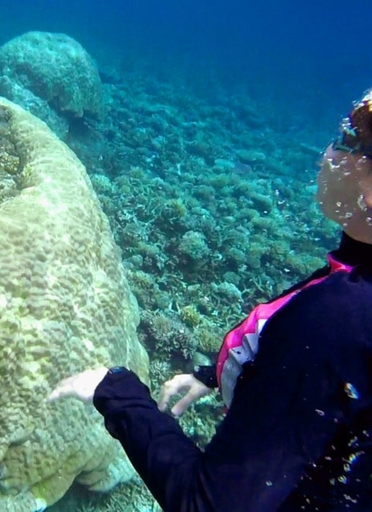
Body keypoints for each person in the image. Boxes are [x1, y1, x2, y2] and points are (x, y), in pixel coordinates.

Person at [48, 91, 372, 511]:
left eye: (345, 139)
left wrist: (116, 393)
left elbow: (206, 504)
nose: (325, 153)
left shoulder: (338, 318)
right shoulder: (354, 273)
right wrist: (216, 374)